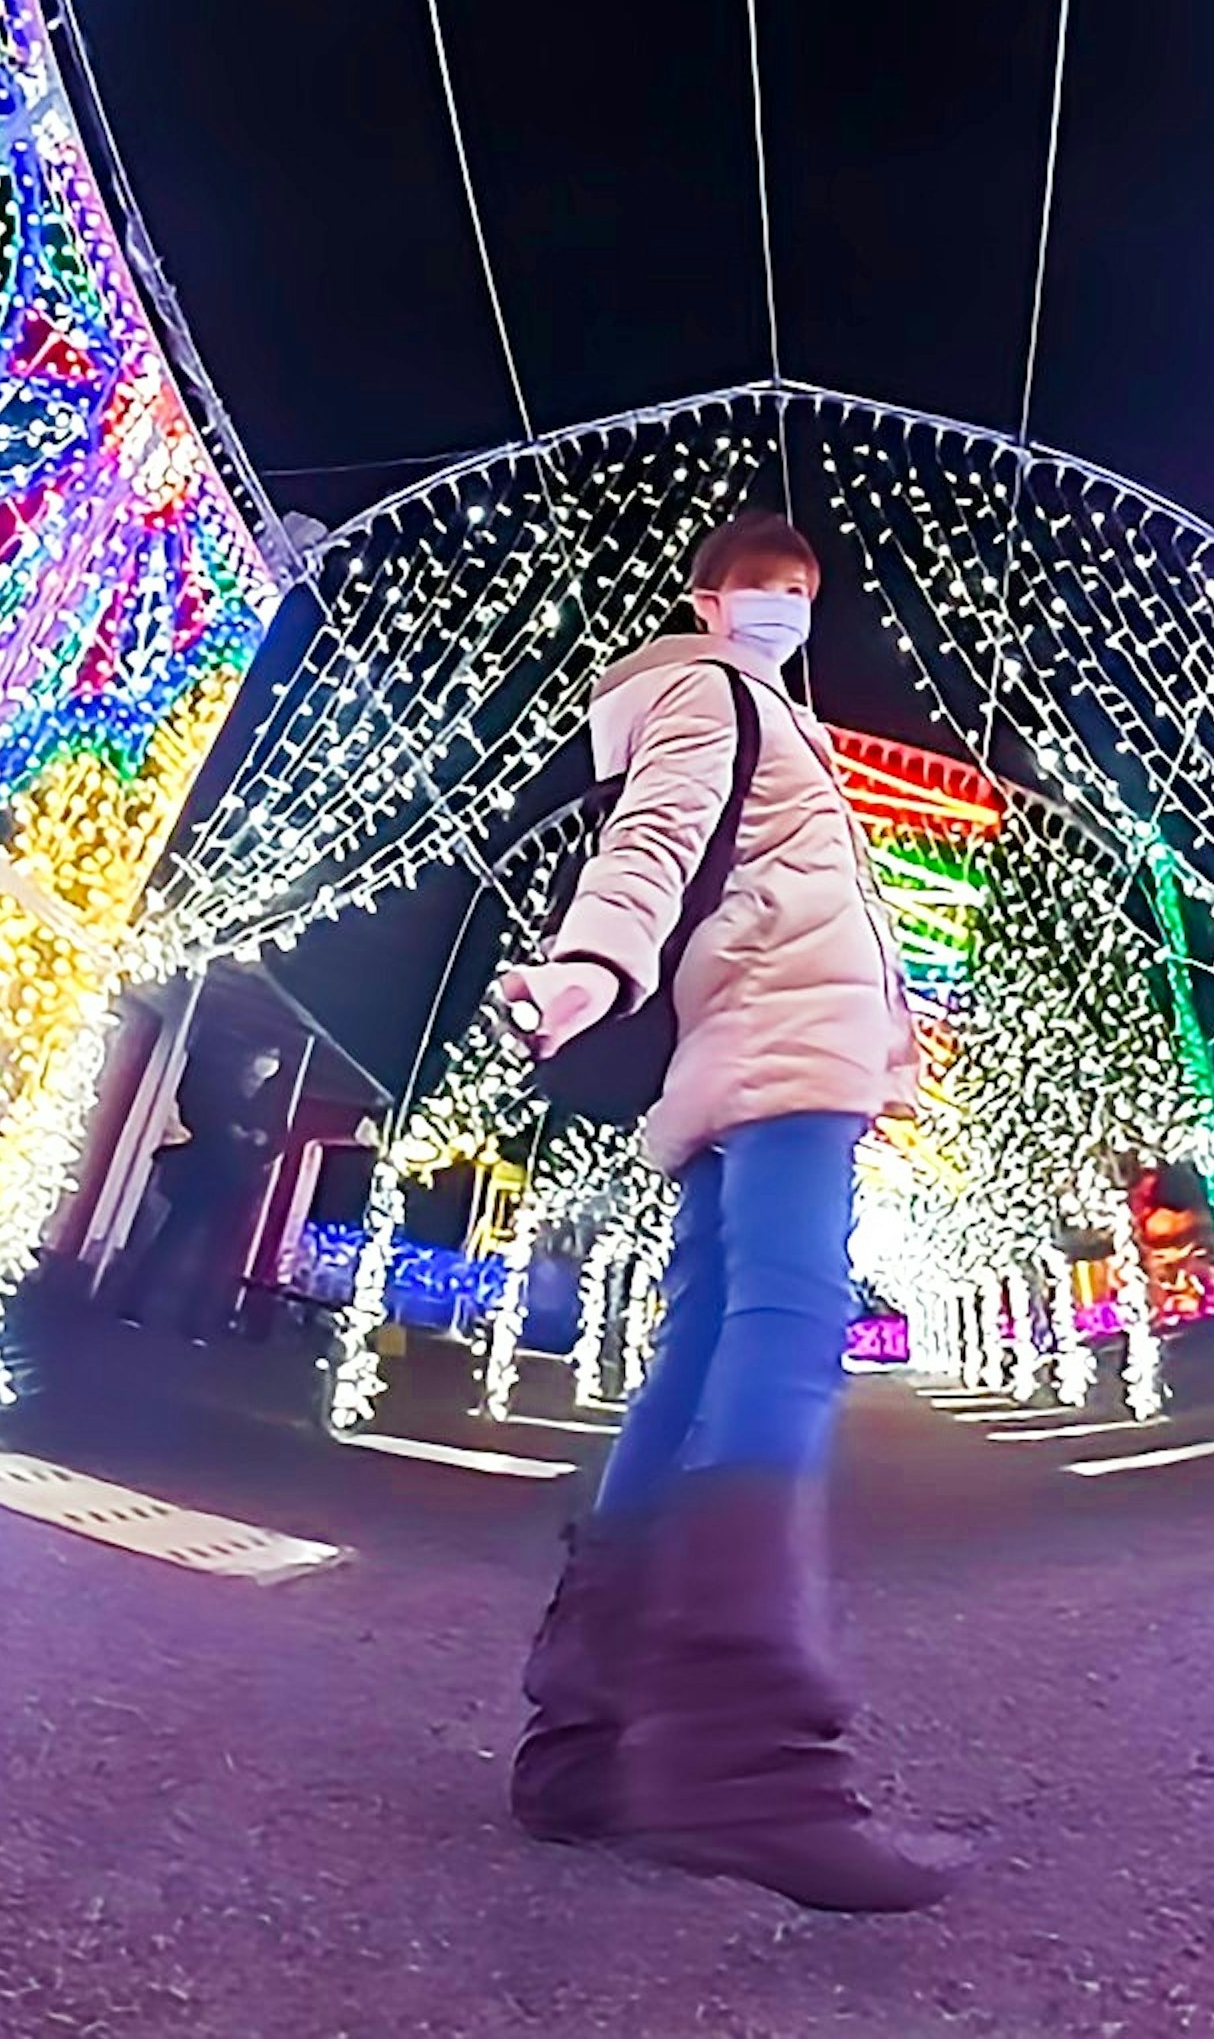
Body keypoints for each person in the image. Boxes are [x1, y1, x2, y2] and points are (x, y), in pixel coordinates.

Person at [492, 510, 950, 1914]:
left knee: (696, 1358)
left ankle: (585, 1742)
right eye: (763, 587)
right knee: (785, 1331)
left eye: (805, 592)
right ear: (707, 596)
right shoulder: (705, 690)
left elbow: (784, 898)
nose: (785, 610)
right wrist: (589, 965)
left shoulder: (775, 719)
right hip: (772, 1055)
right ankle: (742, 1757)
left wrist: (892, 1025)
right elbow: (657, 837)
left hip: (770, 1046)